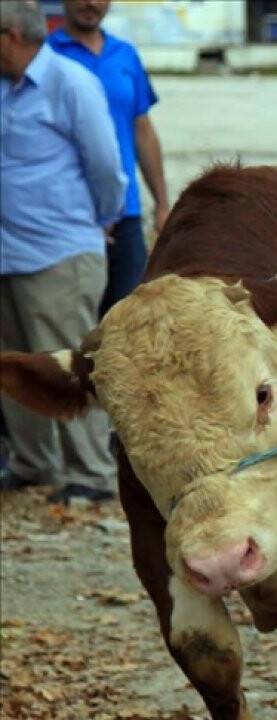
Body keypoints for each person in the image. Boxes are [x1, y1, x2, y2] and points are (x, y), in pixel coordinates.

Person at [0, 0, 127, 503]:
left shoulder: (70, 83)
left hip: (58, 254)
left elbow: (105, 167)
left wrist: (98, 221)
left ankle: (92, 473)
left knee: (70, 365)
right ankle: (33, 463)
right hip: (7, 254)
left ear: (10, 35)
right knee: (15, 365)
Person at [49, 0, 168, 316]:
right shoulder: (45, 56)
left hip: (125, 212)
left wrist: (162, 203)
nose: (91, 3)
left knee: (127, 320)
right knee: (70, 325)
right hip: (70, 216)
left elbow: (142, 129)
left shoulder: (125, 54)